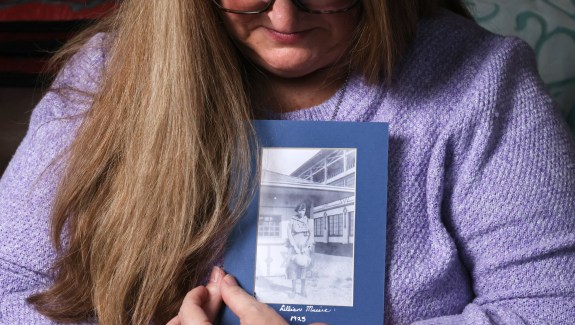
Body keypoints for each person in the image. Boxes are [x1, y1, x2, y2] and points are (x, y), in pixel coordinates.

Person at [0, 0, 574, 324]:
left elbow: (553, 307)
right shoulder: (109, 75)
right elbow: (9, 287)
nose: (283, 13)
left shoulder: (482, 80)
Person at [286, 202, 313, 298]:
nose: (302, 212)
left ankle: (303, 290)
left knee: (303, 268)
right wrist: (295, 247)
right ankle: (293, 290)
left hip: (305, 248)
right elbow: (289, 234)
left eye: (304, 210)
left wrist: (307, 247)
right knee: (293, 268)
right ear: (297, 210)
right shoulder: (292, 220)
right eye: (300, 210)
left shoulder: (308, 221)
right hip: (295, 248)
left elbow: (311, 235)